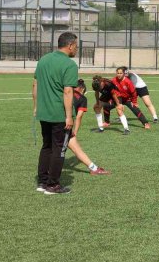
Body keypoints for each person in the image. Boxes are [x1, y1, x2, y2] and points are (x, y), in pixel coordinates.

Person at [33, 32, 78, 195]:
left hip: (44, 112)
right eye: (76, 46)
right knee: (59, 148)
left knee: (47, 147)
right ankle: (52, 185)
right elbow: (67, 91)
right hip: (58, 114)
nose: (77, 49)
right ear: (70, 45)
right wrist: (68, 116)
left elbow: (35, 84)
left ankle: (42, 182)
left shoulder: (43, 60)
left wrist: (36, 107)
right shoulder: (70, 64)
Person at [66, 79, 110, 175]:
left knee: (50, 147)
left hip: (51, 120)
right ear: (81, 89)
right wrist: (75, 132)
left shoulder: (66, 92)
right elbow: (79, 116)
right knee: (62, 149)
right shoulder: (82, 98)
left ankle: (93, 168)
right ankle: (48, 175)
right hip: (64, 125)